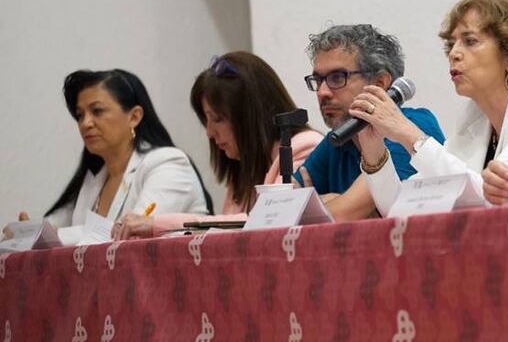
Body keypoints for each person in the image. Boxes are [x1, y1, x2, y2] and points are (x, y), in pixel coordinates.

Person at [326, 0, 508, 213]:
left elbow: (489, 199)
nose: (453, 53)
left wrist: (406, 132)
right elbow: (401, 209)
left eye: (470, 41)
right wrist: (373, 150)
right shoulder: (475, 120)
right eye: (452, 44)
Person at [115, 52, 323, 238]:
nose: (209, 132)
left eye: (217, 119)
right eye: (206, 120)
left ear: (250, 115)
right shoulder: (243, 165)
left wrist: (156, 224)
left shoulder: (304, 148)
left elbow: (264, 221)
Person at [294, 24, 445, 219]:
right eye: (318, 80)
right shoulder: (338, 140)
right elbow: (282, 211)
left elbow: (341, 215)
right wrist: (332, 201)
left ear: (380, 83)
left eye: (337, 78)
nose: (322, 92)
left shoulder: (412, 127)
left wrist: (321, 203)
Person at [44, 69, 211, 240]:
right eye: (80, 115)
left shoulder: (168, 163)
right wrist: (29, 233)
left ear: (134, 117)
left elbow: (133, 234)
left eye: (97, 111)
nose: (85, 123)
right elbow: (53, 226)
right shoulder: (94, 179)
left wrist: (55, 236)